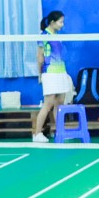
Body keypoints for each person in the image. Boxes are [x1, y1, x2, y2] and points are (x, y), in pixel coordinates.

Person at [31, 10, 71, 142]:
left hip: (61, 72)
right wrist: (40, 74)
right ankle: (37, 134)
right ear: (52, 22)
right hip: (50, 73)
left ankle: (59, 132)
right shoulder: (44, 36)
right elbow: (40, 57)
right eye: (60, 22)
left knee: (59, 104)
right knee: (47, 104)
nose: (62, 25)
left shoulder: (57, 35)